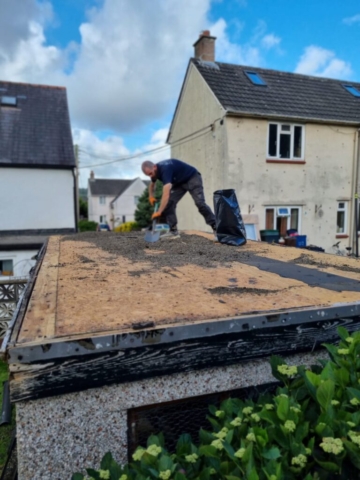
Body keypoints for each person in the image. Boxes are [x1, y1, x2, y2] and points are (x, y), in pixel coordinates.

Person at [141, 159, 216, 239]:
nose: (151, 176)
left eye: (150, 173)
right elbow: (152, 185)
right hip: (179, 183)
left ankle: (217, 228)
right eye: (148, 175)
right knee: (169, 203)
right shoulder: (154, 173)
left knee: (200, 203)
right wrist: (151, 196)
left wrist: (159, 211)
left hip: (192, 177)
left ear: (154, 167)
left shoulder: (165, 169)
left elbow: (166, 193)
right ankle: (173, 231)